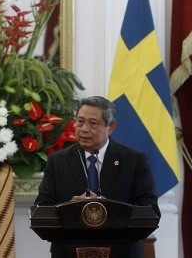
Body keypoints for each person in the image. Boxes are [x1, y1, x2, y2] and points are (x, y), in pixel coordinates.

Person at [35, 96, 160, 258]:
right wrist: (70, 210)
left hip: (122, 253)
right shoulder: (57, 161)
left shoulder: (134, 161)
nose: (84, 129)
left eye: (93, 124)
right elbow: (41, 211)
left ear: (111, 127)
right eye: (80, 121)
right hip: (69, 252)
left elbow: (151, 213)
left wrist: (107, 209)